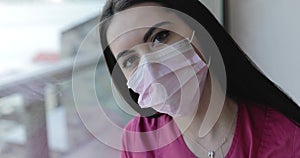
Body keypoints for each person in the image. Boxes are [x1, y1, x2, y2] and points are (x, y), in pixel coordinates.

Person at [98, 0, 300, 157]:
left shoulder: (286, 139)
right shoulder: (139, 140)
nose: (149, 67)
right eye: (129, 60)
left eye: (160, 37)